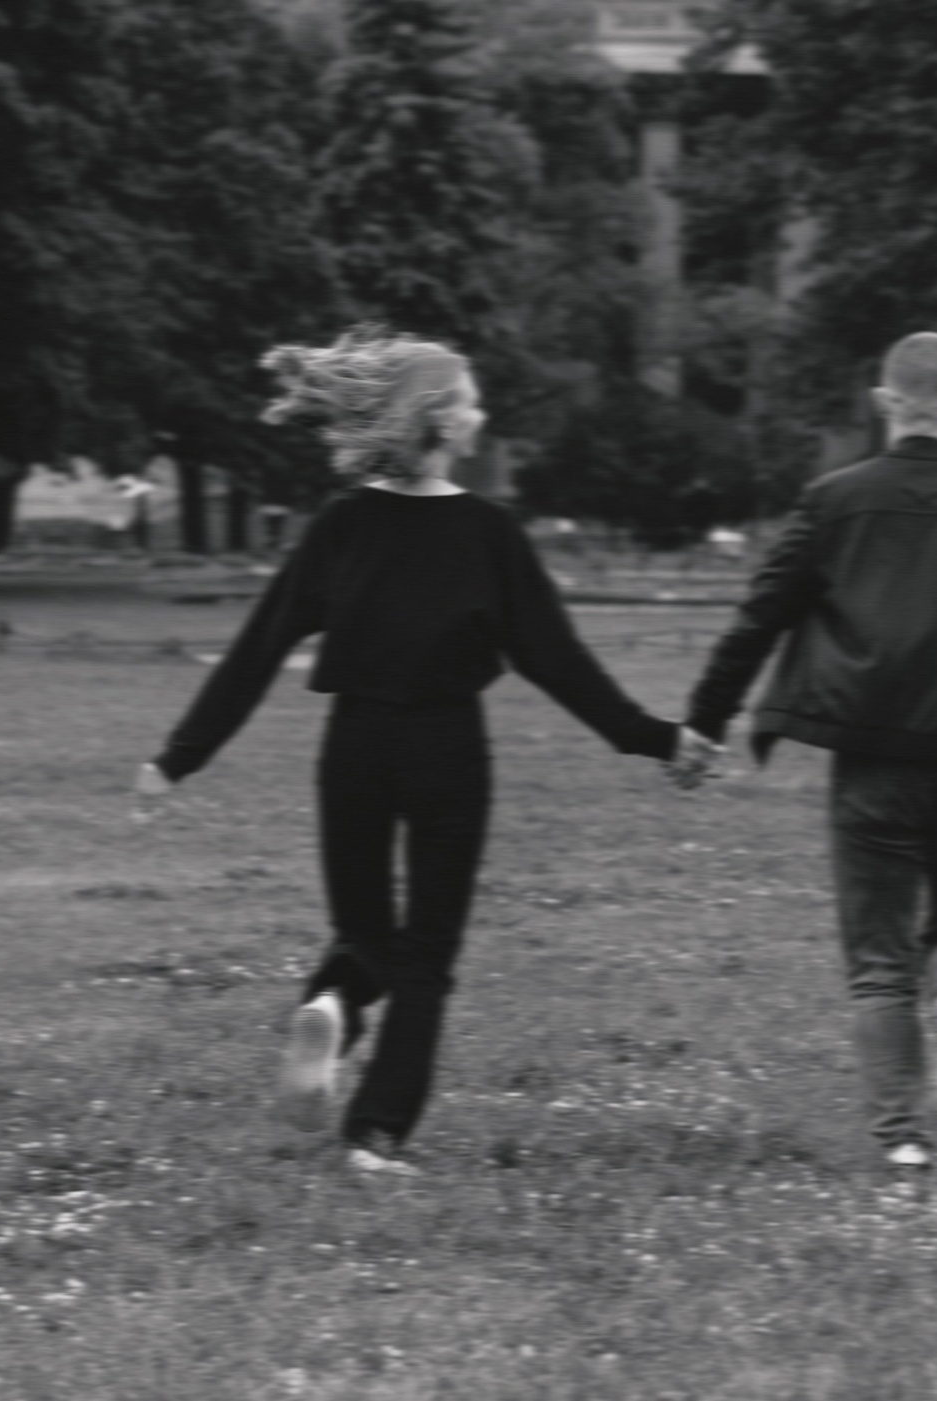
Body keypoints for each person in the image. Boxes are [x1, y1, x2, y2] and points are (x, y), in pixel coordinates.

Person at [133, 328, 706, 1174]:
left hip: (354, 745)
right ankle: (376, 1133)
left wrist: (179, 755)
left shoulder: (340, 527)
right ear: (439, 419)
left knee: (366, 934)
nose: (482, 411)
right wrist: (656, 738)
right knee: (427, 955)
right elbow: (559, 662)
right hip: (447, 747)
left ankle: (332, 1002)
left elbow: (256, 650)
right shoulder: (488, 533)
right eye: (471, 398)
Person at [680, 330, 937, 1187]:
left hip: (871, 758)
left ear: (884, 402)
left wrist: (705, 719)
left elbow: (760, 615)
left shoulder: (835, 500)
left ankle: (904, 1143)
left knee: (878, 960)